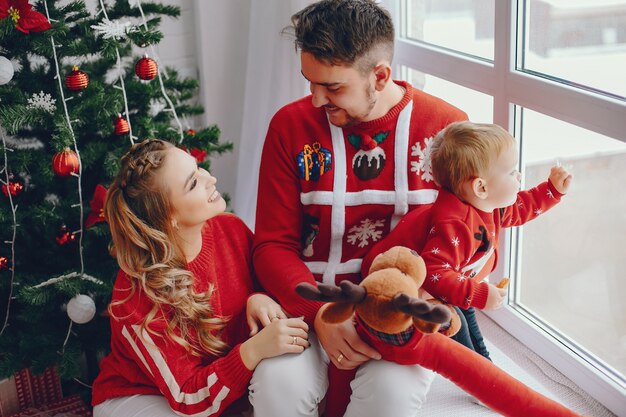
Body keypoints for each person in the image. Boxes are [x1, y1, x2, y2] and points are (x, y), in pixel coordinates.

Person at [251, 1, 468, 416]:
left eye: (332, 87)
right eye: (310, 83)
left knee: (389, 398)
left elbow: (469, 235)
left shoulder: (447, 128)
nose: (316, 100)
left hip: (399, 314)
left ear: (380, 75)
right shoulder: (288, 126)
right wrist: (321, 314)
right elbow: (272, 246)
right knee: (278, 387)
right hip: (309, 300)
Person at [91, 139, 310, 417]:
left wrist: (258, 297)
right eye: (193, 183)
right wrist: (251, 352)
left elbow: (272, 284)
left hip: (211, 388)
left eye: (198, 167)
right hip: (140, 396)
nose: (210, 178)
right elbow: (186, 397)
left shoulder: (231, 229)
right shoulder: (135, 296)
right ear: (168, 216)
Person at [362, 121, 573, 360]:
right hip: (400, 288)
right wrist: (481, 294)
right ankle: (472, 369)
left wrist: (552, 190)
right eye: (512, 172)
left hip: (446, 279)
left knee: (466, 306)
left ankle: (484, 363)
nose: (520, 176)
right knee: (457, 320)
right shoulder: (455, 225)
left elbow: (521, 208)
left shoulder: (489, 205)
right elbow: (435, 272)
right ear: (481, 187)